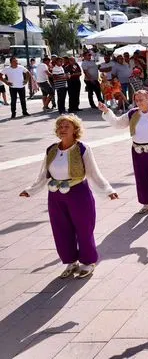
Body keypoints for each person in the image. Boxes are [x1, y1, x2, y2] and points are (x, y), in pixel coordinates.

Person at [20, 114, 119, 279]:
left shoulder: (83, 148)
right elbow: (43, 174)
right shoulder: (51, 149)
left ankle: (87, 262)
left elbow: (94, 173)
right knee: (61, 230)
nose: (62, 129)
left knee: (84, 229)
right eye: (60, 127)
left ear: (75, 130)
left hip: (78, 193)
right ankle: (70, 262)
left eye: (66, 126)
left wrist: (108, 190)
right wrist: (31, 190)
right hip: (55, 196)